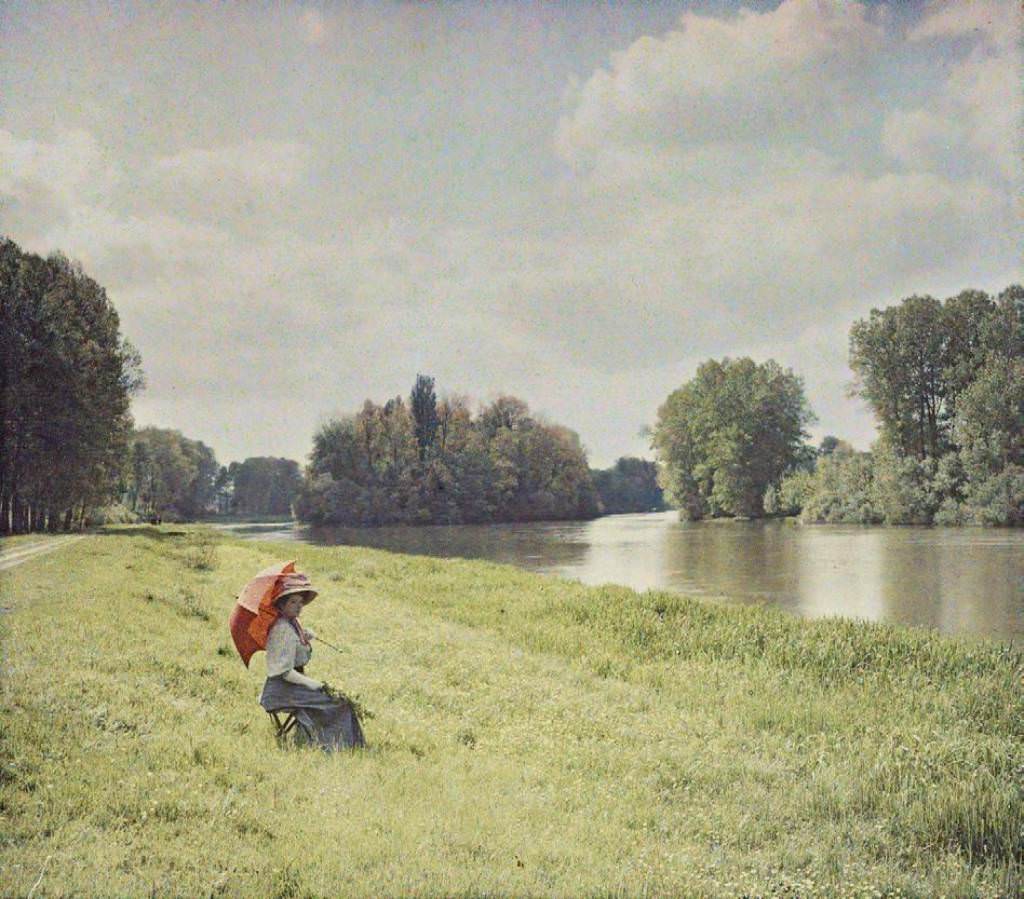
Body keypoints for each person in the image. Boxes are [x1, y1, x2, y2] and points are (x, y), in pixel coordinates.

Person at [258, 573, 365, 750]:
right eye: (293, 602)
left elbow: (297, 657)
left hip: (288, 687)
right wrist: (314, 684)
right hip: (281, 690)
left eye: (300, 602)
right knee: (338, 702)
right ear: (282, 603)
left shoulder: (291, 624)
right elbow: (285, 672)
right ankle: (336, 746)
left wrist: (304, 639)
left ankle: (334, 742)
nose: (299, 607)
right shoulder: (283, 629)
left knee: (337, 699)